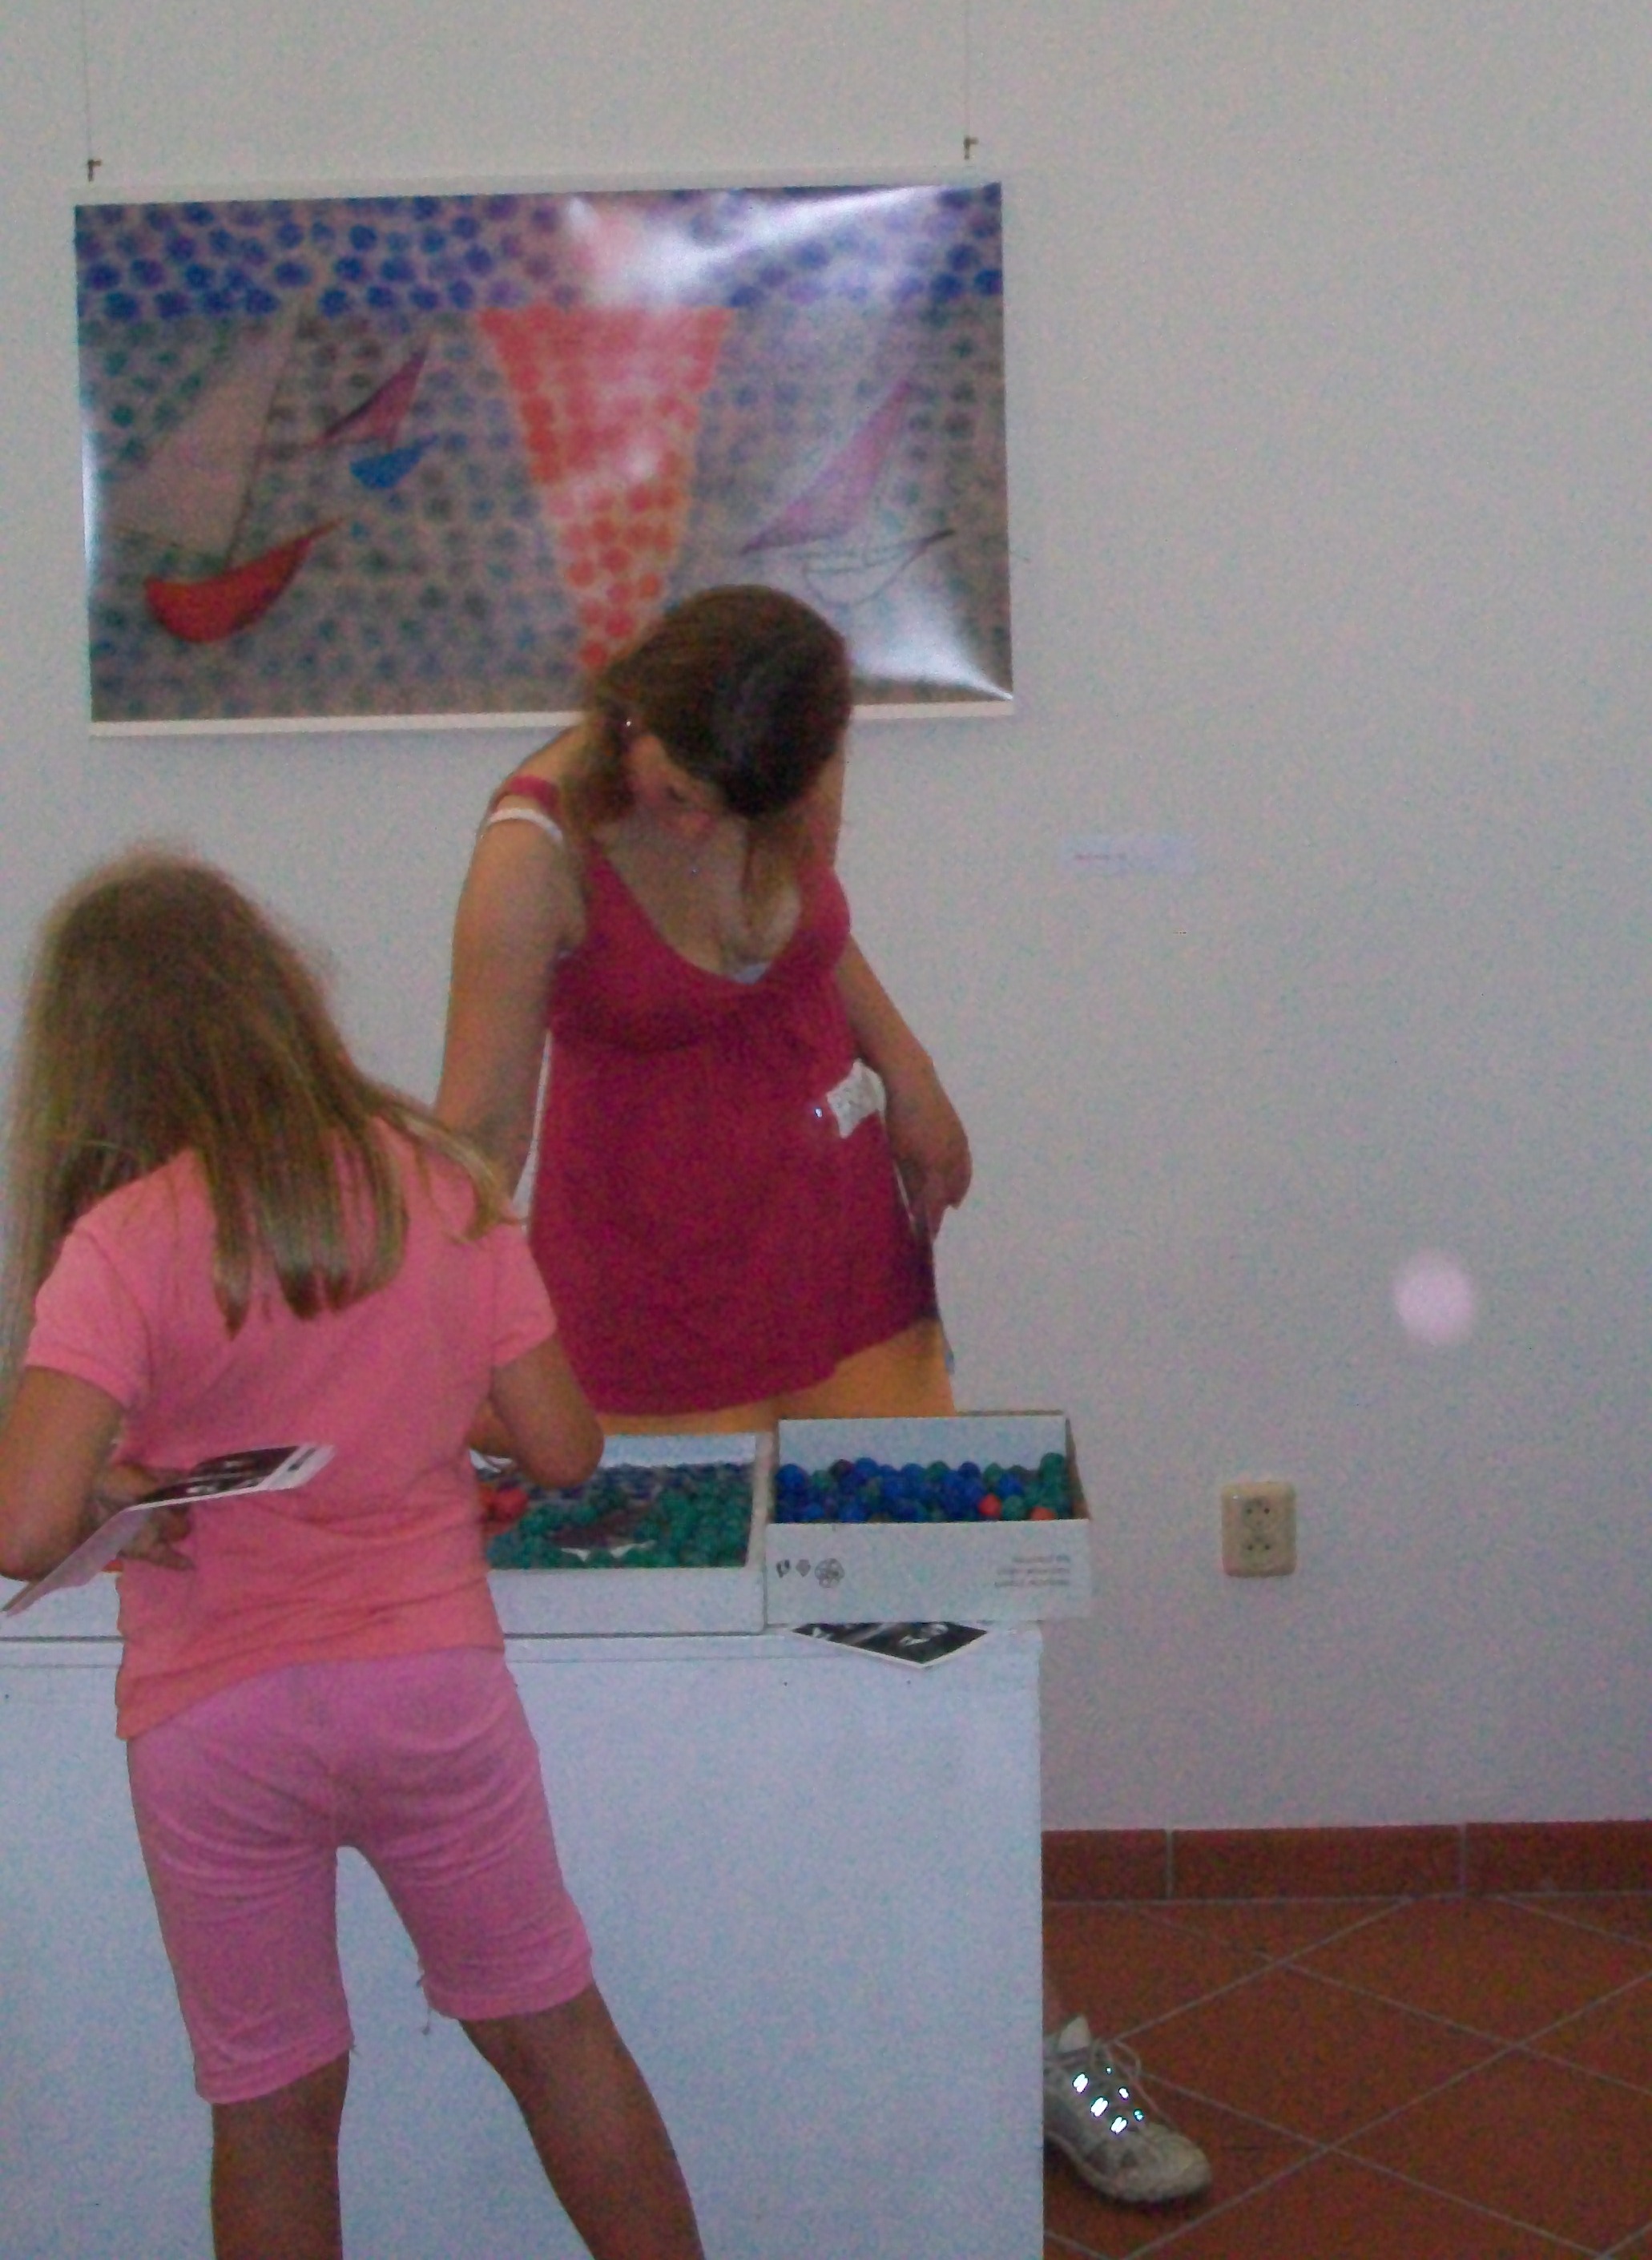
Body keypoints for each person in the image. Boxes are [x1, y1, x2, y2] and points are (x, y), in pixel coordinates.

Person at [437, 583, 1211, 2208]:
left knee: (938, 1673)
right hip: (644, 1320)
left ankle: (1034, 2044)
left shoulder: (784, 760)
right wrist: (426, 1359)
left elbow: (817, 946)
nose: (698, 824)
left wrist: (912, 1075)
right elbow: (474, 1145)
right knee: (707, 1721)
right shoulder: (533, 853)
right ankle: (772, 2066)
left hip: (843, 1270)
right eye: (677, 788)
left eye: (742, 806)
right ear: (637, 715)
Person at [0, 851, 704, 2260]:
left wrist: (126, 1483)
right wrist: (423, 1409)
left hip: (214, 1718)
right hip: (429, 1683)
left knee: (272, 2105)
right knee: (553, 2036)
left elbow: (23, 1527)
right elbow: (564, 1447)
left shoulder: (120, 1242)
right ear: (276, 996)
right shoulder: (436, 1184)